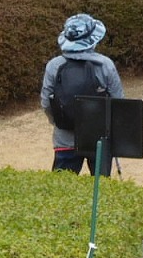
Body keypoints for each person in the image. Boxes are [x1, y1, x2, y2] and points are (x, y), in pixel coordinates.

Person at [41, 13, 124, 175]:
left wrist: (58, 122)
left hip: (64, 138)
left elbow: (46, 102)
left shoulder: (54, 66)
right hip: (99, 139)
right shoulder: (105, 65)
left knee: (61, 191)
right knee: (100, 191)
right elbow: (118, 102)